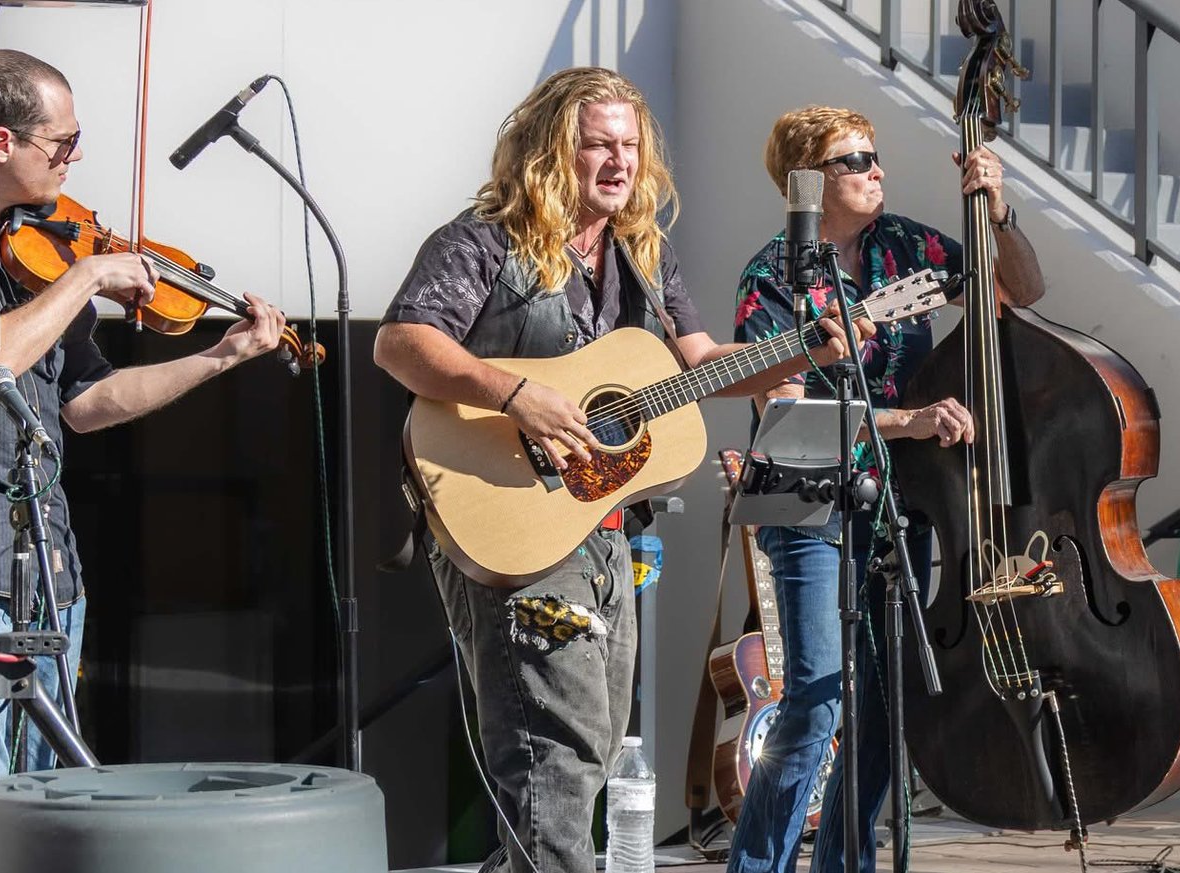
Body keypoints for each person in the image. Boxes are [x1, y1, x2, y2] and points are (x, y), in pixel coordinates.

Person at [374, 69, 870, 873]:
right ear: (548, 151)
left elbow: (700, 362)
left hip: (608, 537)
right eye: (598, 144)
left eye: (630, 145)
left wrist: (800, 351)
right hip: (512, 526)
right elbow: (401, 343)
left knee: (587, 761)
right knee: (555, 771)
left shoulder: (642, 254)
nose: (620, 162)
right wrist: (516, 392)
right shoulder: (482, 242)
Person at [0, 49, 287, 873]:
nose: (74, 158)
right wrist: (87, 275)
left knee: (45, 794)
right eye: (65, 141)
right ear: (3, 141)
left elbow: (89, 403)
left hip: (46, 553)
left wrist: (220, 359)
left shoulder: (36, 248)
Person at [725, 105, 1046, 873]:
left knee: (882, 709)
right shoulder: (772, 274)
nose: (875, 169)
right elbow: (786, 410)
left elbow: (1021, 290)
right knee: (816, 701)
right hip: (805, 505)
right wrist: (909, 421)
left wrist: (998, 212)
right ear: (807, 180)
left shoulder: (906, 246)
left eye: (875, 156)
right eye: (853, 159)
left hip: (898, 509)